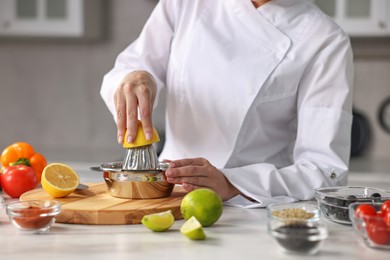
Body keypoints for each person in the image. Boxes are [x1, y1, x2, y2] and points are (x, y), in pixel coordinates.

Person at [101, 0, 354, 207]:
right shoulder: (185, 4)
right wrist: (135, 78)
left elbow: (325, 169)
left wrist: (232, 182)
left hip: (249, 207)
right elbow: (128, 69)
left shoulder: (325, 39)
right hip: (164, 194)